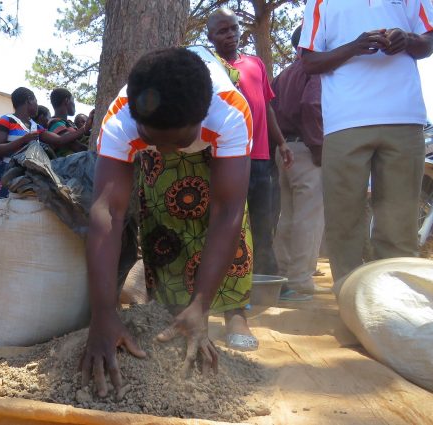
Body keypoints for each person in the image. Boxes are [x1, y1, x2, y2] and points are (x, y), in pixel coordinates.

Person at [81, 47, 255, 397]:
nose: (166, 152)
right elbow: (107, 213)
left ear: (203, 118)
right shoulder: (121, 119)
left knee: (231, 225)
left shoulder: (229, 113)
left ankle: (229, 310)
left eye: (177, 142)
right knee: (163, 220)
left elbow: (227, 209)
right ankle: (176, 312)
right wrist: (102, 314)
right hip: (167, 128)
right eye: (153, 142)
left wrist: (202, 303)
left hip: (211, 141)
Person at [299, 0, 433, 282]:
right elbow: (309, 62)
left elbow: (427, 42)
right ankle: (350, 299)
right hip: (345, 121)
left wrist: (406, 39)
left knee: (399, 224)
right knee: (343, 222)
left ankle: (397, 306)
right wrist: (354, 47)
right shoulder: (319, 2)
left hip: (404, 118)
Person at [207, 9, 293, 276]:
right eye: (222, 30)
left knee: (263, 221)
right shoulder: (209, 68)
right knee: (227, 222)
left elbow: (266, 107)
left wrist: (280, 142)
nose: (230, 34)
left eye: (233, 28)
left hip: (259, 158)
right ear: (210, 36)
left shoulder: (255, 64)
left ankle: (267, 280)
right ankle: (226, 282)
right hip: (224, 160)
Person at [271, 27, 324, 301]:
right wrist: (318, 145)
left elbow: (272, 110)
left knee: (288, 215)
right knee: (309, 217)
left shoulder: (285, 74)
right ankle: (300, 282)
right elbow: (313, 104)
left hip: (286, 149)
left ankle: (282, 276)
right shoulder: (313, 70)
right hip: (307, 148)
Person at [0, 87, 94, 199]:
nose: (37, 105)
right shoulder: (7, 119)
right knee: (0, 208)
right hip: (5, 172)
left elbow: (59, 140)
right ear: (29, 100)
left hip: (26, 175)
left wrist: (85, 128)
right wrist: (22, 140)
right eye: (36, 101)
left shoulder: (35, 126)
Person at [48, 88, 89, 156]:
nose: (74, 104)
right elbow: (77, 147)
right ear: (67, 101)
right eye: (73, 101)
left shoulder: (69, 123)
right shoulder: (54, 123)